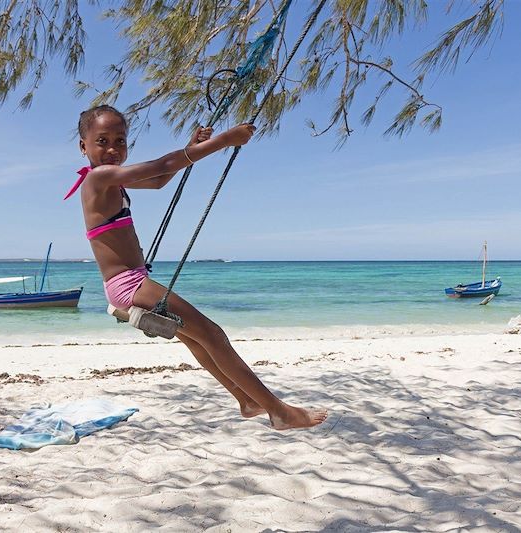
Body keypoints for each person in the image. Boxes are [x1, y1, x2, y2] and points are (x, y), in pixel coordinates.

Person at [67, 104, 327, 430]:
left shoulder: (111, 181)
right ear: (83, 146)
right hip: (128, 284)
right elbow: (162, 163)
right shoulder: (99, 178)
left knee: (196, 338)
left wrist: (192, 147)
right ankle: (279, 411)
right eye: (102, 141)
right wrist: (224, 141)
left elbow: (161, 178)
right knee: (213, 334)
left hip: (129, 282)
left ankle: (245, 400)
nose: (112, 149)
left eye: (120, 141)